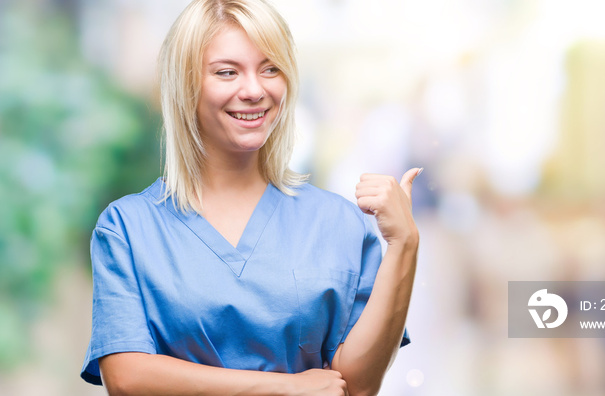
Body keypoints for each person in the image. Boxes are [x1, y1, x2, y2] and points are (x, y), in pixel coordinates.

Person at [80, 0, 420, 395]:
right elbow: (126, 378)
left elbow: (356, 386)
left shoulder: (340, 223)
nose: (255, 90)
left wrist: (404, 244)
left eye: (270, 69)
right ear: (186, 83)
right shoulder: (127, 228)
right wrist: (283, 388)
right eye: (227, 72)